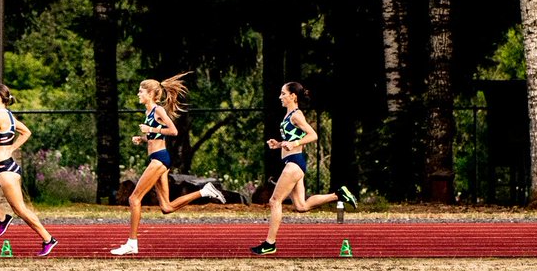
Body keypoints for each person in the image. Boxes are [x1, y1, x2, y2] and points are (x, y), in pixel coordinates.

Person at [110, 72, 226, 256]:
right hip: (157, 158)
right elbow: (155, 135)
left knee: (134, 199)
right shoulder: (148, 112)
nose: (138, 94)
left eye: (141, 91)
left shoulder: (158, 110)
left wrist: (151, 129)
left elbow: (173, 131)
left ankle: (132, 243)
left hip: (160, 159)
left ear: (150, 94)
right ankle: (205, 191)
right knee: (166, 207)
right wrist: (142, 138)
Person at [250, 80, 357, 256]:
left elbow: (313, 135)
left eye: (283, 93)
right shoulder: (289, 115)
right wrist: (278, 145)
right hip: (293, 162)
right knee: (301, 205)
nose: (280, 97)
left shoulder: (296, 115)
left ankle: (270, 243)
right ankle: (338, 194)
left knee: (274, 201)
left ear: (293, 96)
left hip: (294, 163)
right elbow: (292, 139)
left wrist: (295, 143)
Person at [0, 83, 58, 258]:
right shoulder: (8, 115)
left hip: (7, 171)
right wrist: (12, 148)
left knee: (20, 209)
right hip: (0, 168)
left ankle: (48, 239)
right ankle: (3, 217)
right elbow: (26, 132)